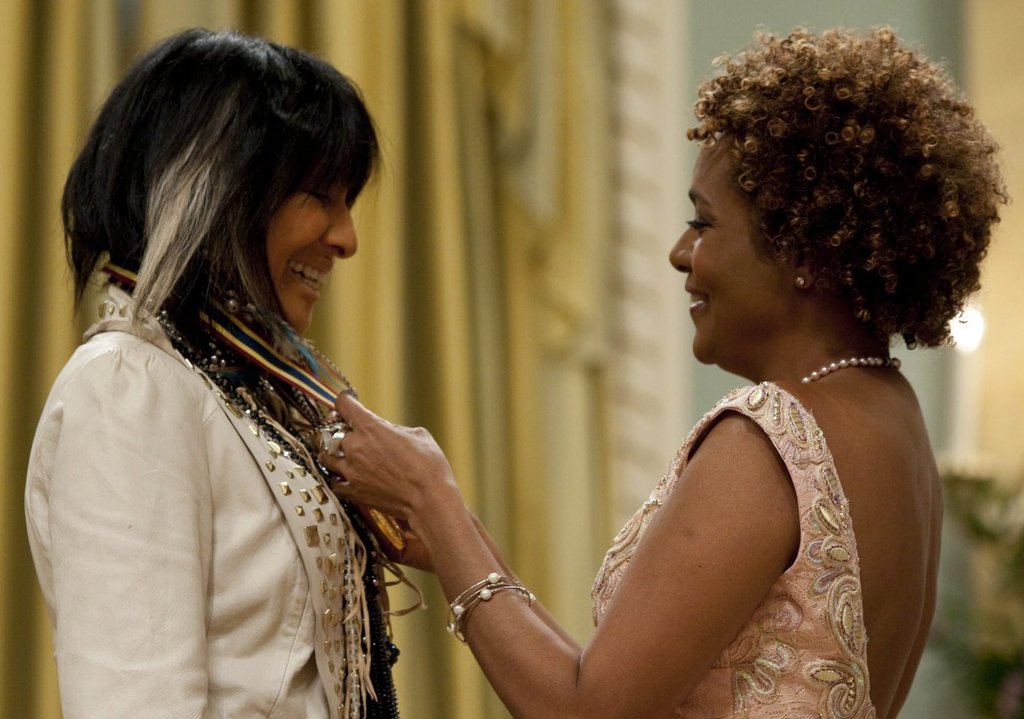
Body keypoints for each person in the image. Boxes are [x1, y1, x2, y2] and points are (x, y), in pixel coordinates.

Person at [318, 26, 1007, 718]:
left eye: (702, 223)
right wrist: (456, 536)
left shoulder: (772, 440)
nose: (681, 253)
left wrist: (430, 492)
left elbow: (583, 710)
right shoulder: (894, 412)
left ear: (803, 249)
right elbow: (628, 687)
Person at [25, 28, 407, 719]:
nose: (346, 237)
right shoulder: (128, 388)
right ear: (217, 190)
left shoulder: (233, 390)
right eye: (319, 195)